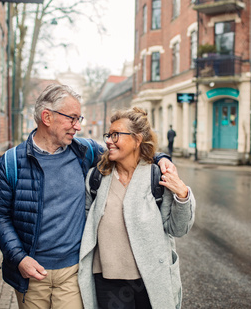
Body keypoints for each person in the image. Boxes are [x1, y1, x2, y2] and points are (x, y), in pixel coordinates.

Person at [0, 85, 175, 309]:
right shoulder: (10, 163)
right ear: (47, 117)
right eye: (72, 118)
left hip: (72, 273)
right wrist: (18, 258)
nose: (78, 126)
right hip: (31, 274)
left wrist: (161, 157)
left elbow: (128, 151)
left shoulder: (85, 151)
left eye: (80, 118)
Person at [78, 107, 195, 309]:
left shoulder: (157, 177)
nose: (108, 140)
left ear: (137, 139)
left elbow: (178, 229)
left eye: (116, 135)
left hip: (149, 280)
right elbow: (87, 228)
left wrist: (182, 196)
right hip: (107, 280)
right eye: (108, 135)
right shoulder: (96, 178)